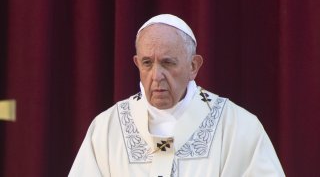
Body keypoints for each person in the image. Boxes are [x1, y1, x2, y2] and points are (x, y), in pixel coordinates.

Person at [69, 14, 285, 177]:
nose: (156, 76)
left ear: (193, 66)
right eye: (147, 63)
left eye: (167, 63)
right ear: (137, 63)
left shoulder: (238, 127)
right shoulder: (107, 128)